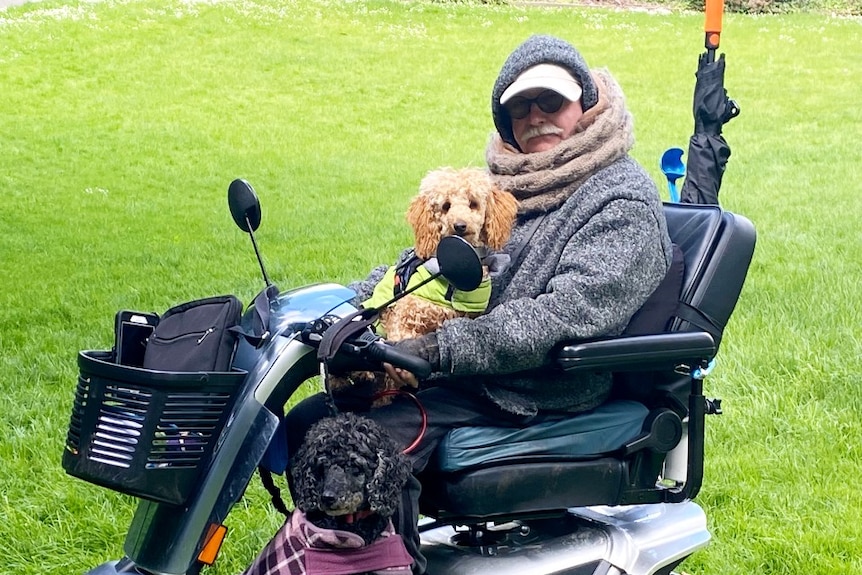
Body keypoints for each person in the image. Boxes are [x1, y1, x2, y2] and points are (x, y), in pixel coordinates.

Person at [283, 34, 674, 575]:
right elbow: (419, 268)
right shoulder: (501, 188)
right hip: (470, 370)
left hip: (534, 385)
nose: (535, 116)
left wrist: (437, 348)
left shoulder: (620, 198)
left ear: (585, 104)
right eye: (519, 107)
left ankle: (384, 565)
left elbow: (567, 314)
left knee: (364, 448)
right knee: (310, 419)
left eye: (551, 102)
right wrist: (344, 309)